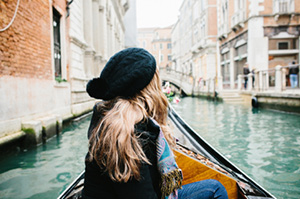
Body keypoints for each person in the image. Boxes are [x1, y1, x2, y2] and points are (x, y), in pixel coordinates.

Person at [82, 48, 228, 199]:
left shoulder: (111, 120)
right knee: (216, 190)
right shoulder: (127, 134)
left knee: (214, 188)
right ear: (149, 87)